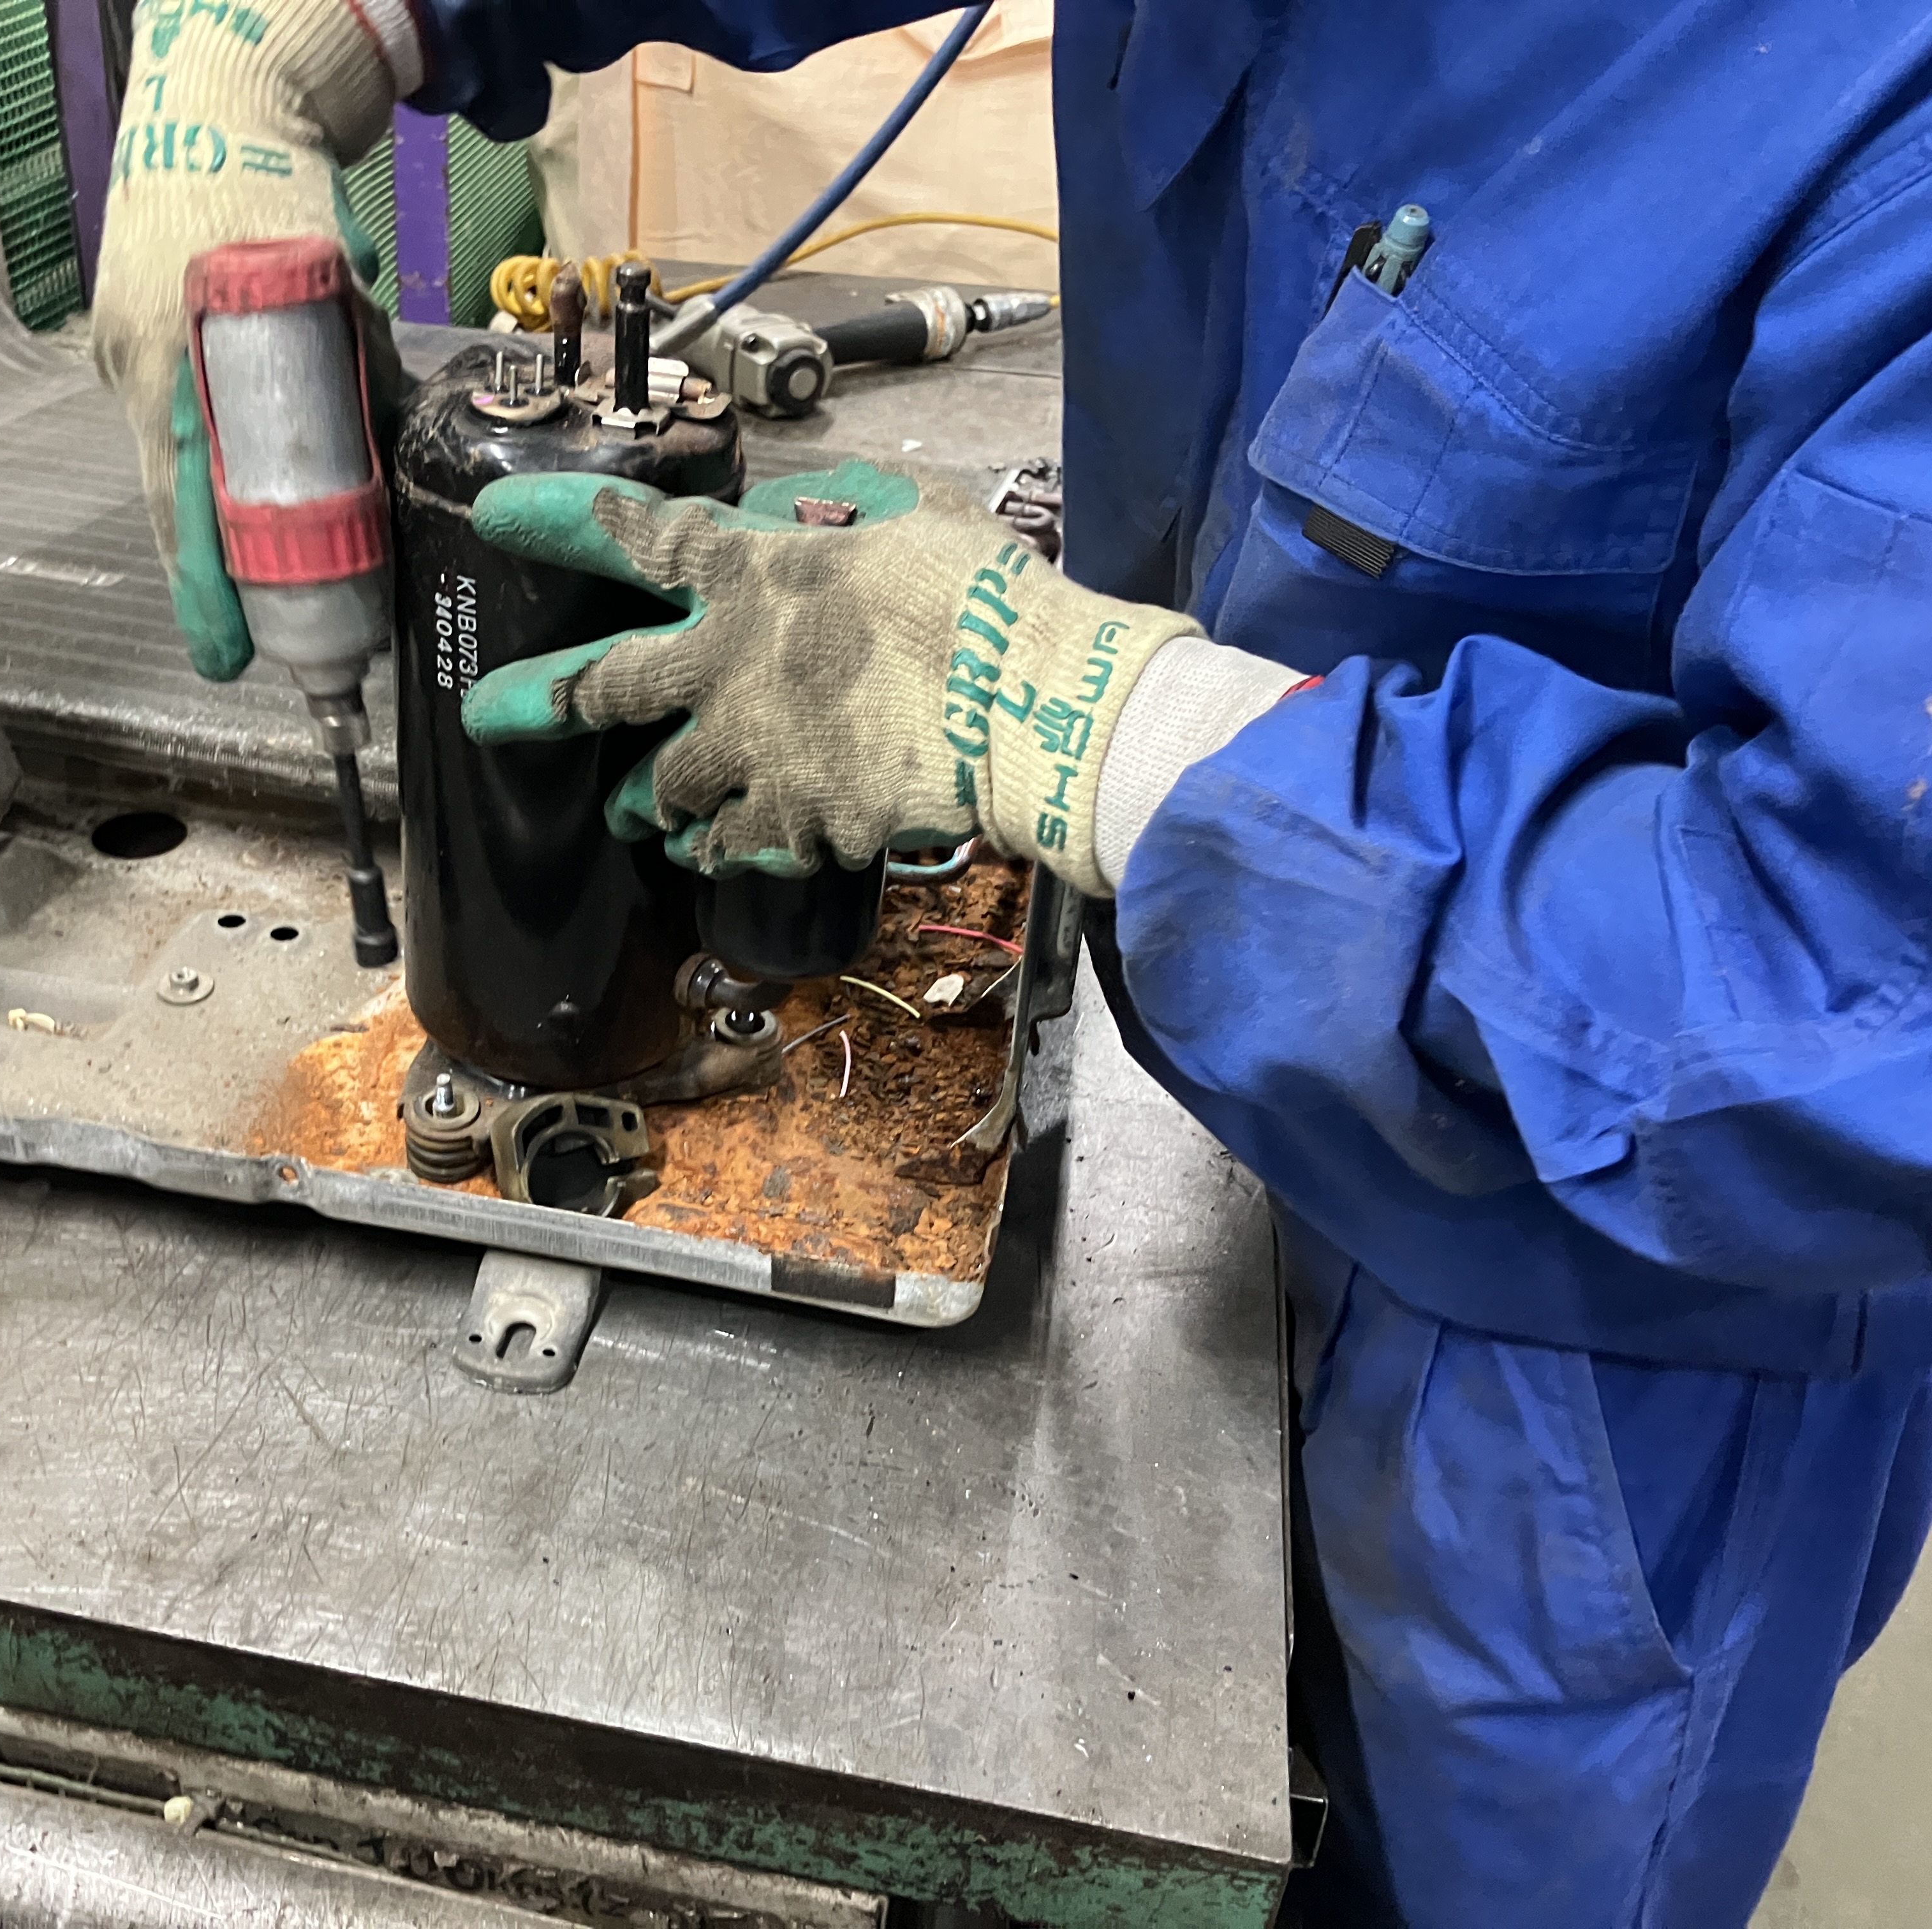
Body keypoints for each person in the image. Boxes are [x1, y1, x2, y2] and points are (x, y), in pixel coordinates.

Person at [92, 1, 1932, 1920]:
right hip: (1233, 1024)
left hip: (1607, 1341)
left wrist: (1096, 728)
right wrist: (333, 21)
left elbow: (1858, 995)